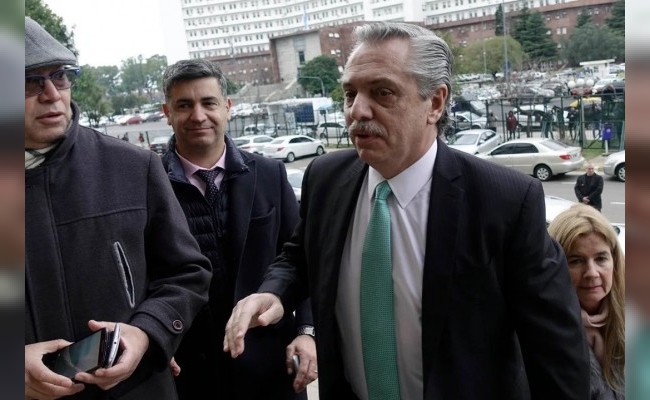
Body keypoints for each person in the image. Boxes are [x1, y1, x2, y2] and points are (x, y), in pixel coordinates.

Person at [224, 21, 589, 400]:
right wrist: (275, 293)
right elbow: (300, 257)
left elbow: (556, 353)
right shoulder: (326, 178)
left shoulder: (505, 200)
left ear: (435, 103)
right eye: (350, 93)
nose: (357, 110)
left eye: (382, 93)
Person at [24, 17, 212, 400]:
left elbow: (188, 274)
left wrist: (146, 332)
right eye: (29, 81)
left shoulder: (133, 167)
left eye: (60, 76)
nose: (51, 94)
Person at [159, 59, 317, 399]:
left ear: (227, 107)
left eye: (209, 102)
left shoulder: (270, 174)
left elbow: (302, 260)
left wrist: (307, 331)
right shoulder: (149, 185)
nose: (198, 116)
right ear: (167, 112)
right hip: (189, 371)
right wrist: (154, 336)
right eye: (184, 105)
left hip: (271, 366)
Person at [547, 204, 625, 399]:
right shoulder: (544, 333)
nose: (592, 273)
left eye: (601, 259)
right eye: (576, 261)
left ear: (614, 262)